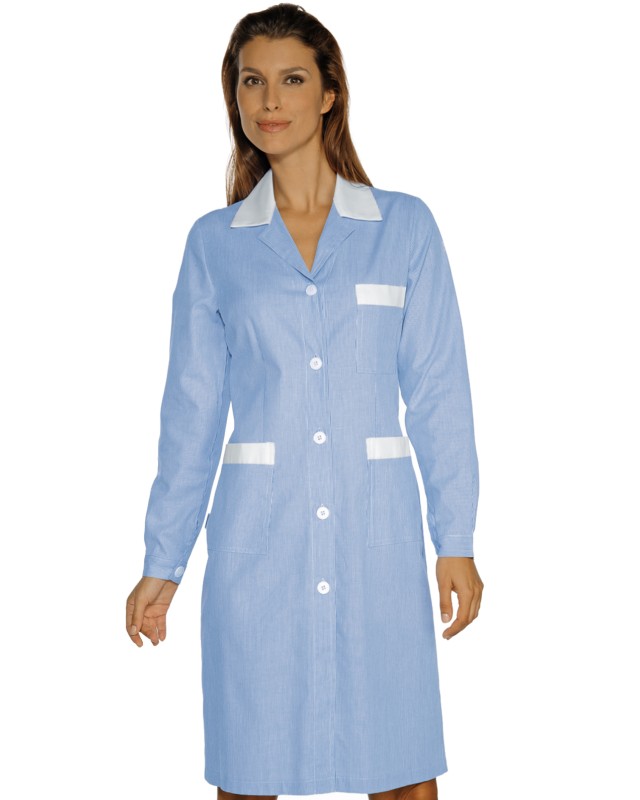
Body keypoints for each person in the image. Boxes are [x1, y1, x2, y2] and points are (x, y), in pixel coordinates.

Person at [126, 4, 484, 800]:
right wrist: (162, 561)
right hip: (259, 544)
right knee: (249, 772)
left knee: (401, 772)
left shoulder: (405, 228)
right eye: (251, 81)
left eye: (291, 79)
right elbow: (191, 416)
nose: (269, 100)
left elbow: (439, 392)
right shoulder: (215, 243)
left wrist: (454, 538)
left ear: (329, 94)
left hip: (375, 541)